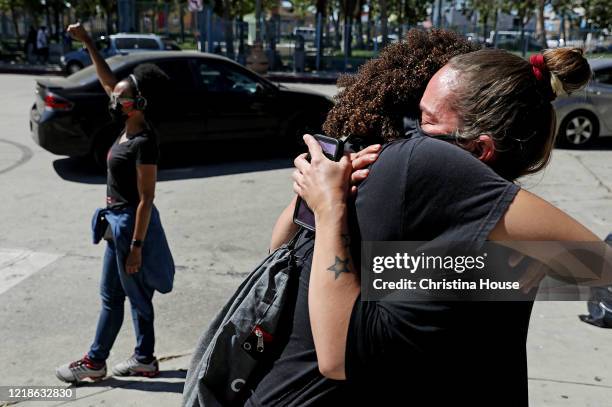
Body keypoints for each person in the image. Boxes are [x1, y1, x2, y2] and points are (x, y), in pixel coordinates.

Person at [246, 30, 595, 406]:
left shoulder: (423, 169)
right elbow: (284, 262)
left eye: (425, 121)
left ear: (479, 149)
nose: (409, 136)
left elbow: (592, 261)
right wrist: (319, 198)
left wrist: (328, 207)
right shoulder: (468, 228)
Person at [55, 22, 174, 383]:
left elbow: (147, 199)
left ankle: (126, 360)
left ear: (137, 104)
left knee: (136, 299)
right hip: (116, 228)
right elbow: (109, 80)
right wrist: (89, 42)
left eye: (119, 96)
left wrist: (136, 247)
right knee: (112, 296)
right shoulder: (128, 124)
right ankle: (113, 360)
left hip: (129, 229)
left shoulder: (143, 143)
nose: (112, 98)